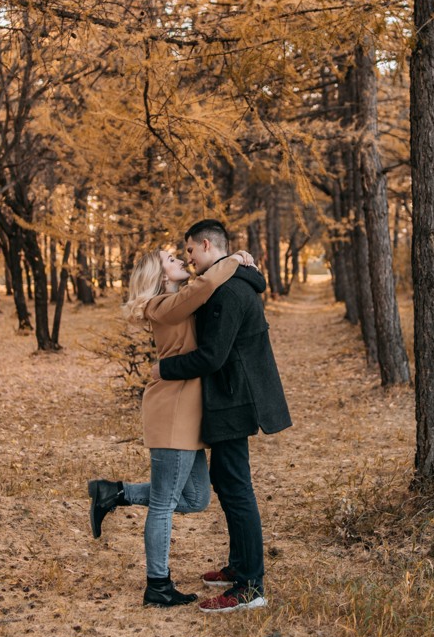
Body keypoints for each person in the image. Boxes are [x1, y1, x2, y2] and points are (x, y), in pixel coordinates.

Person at [88, 246, 255, 608]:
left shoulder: (175, 300)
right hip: (172, 409)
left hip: (187, 410)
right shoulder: (161, 305)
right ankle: (158, 584)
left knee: (196, 498)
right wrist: (233, 259)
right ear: (161, 275)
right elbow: (204, 286)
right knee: (164, 504)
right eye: (172, 260)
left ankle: (115, 493)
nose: (181, 261)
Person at [152, 219, 292, 613]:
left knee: (236, 487)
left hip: (234, 398)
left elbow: (212, 355)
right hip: (231, 396)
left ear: (207, 245)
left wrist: (164, 369)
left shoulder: (227, 291)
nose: (189, 258)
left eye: (192, 251)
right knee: (227, 481)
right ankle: (239, 566)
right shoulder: (229, 279)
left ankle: (250, 587)